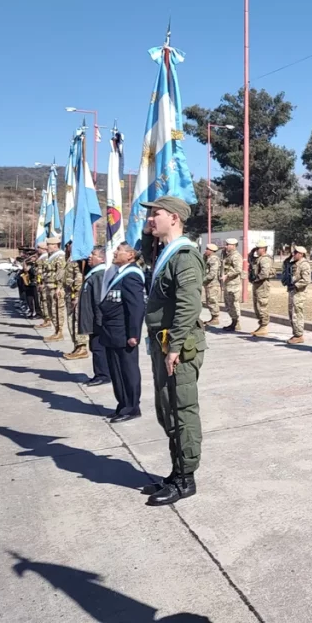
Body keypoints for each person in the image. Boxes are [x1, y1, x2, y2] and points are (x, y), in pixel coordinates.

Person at [140, 196, 206, 506]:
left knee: (181, 411)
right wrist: (147, 230)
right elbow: (145, 253)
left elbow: (189, 305)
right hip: (164, 344)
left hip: (177, 347)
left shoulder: (184, 256)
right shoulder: (163, 253)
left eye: (156, 214)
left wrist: (175, 346)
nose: (150, 219)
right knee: (166, 410)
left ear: (175, 218)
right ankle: (176, 470)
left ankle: (185, 479)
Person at [100, 242, 146, 422]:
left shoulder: (132, 275)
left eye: (118, 250)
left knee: (127, 370)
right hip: (112, 331)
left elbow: (136, 307)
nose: (114, 253)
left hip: (124, 333)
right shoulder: (118, 273)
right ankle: (122, 404)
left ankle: (132, 407)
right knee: (116, 371)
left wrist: (134, 334)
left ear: (130, 255)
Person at [78, 245, 111, 387]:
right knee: (95, 347)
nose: (90, 256)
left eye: (94, 254)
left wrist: (99, 322)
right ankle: (100, 373)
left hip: (97, 322)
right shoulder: (93, 274)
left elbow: (98, 300)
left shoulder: (99, 275)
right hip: (92, 320)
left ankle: (103, 375)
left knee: (98, 348)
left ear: (102, 258)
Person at [62, 241, 89, 360]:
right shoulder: (69, 258)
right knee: (71, 321)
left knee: (77, 320)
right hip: (69, 294)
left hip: (75, 295)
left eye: (71, 244)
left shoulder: (79, 259)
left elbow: (78, 279)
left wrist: (75, 296)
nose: (68, 247)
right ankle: (77, 346)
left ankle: (82, 347)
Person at [287, 246, 312, 345]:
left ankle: (299, 335)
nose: (294, 253)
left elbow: (307, 280)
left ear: (301, 254)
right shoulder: (295, 263)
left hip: (299, 292)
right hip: (293, 291)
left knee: (297, 313)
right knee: (291, 313)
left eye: (296, 252)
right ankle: (296, 333)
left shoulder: (304, 264)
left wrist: (296, 285)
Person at [43, 237, 66, 342]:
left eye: (49, 245)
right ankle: (56, 330)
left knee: (57, 310)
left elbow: (61, 272)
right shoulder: (51, 256)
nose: (47, 247)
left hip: (55, 287)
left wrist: (59, 287)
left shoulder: (60, 256)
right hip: (49, 286)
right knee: (51, 310)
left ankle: (59, 331)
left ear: (55, 245)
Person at [249, 239, 275, 337]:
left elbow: (265, 272)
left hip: (262, 285)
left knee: (262, 305)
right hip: (257, 284)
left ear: (263, 249)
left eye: (258, 248)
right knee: (256, 306)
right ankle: (261, 325)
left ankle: (264, 325)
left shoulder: (265, 259)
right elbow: (250, 260)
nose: (256, 250)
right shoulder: (258, 258)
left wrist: (256, 279)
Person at [221, 238, 243, 331]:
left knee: (234, 303)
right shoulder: (227, 255)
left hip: (234, 284)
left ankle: (236, 322)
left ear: (233, 246)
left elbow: (238, 269)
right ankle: (233, 321)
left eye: (228, 244)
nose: (226, 246)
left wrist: (227, 275)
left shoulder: (236, 256)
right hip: (227, 283)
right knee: (228, 304)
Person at [202, 244, 222, 327]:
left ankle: (215, 318)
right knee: (209, 301)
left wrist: (202, 280)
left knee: (212, 301)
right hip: (209, 284)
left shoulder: (213, 259)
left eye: (207, 249)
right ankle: (213, 317)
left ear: (211, 250)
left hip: (213, 284)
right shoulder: (208, 258)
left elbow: (212, 273)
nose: (205, 250)